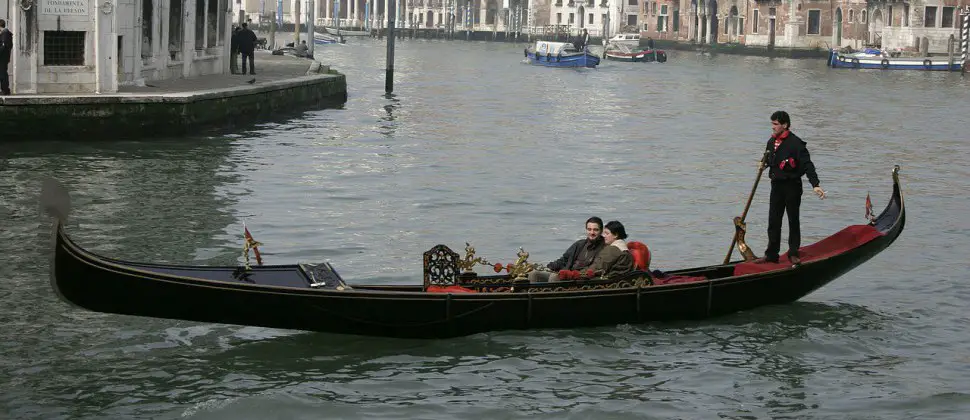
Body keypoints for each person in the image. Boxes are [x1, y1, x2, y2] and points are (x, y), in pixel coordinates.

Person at [755, 111, 826, 266]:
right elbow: (769, 158)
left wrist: (815, 185)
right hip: (776, 186)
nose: (772, 127)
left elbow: (807, 165)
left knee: (793, 220)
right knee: (773, 220)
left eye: (775, 124)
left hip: (792, 186)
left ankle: (793, 253)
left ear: (785, 125)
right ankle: (772, 254)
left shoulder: (796, 144)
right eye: (772, 124)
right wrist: (763, 163)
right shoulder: (771, 142)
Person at [528, 217, 606, 283]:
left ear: (601, 231)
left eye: (595, 230)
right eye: (589, 229)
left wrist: (571, 274)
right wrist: (549, 267)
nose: (592, 233)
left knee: (554, 278)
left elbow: (594, 268)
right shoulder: (579, 244)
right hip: (565, 273)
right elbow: (564, 260)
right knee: (534, 274)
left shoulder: (604, 248)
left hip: (579, 278)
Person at [0, 19, 12, 96]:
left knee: (3, 74)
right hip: (4, 57)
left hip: (3, 57)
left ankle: (5, 90)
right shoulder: (6, 33)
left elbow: (3, 46)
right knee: (2, 73)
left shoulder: (5, 33)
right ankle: (5, 90)